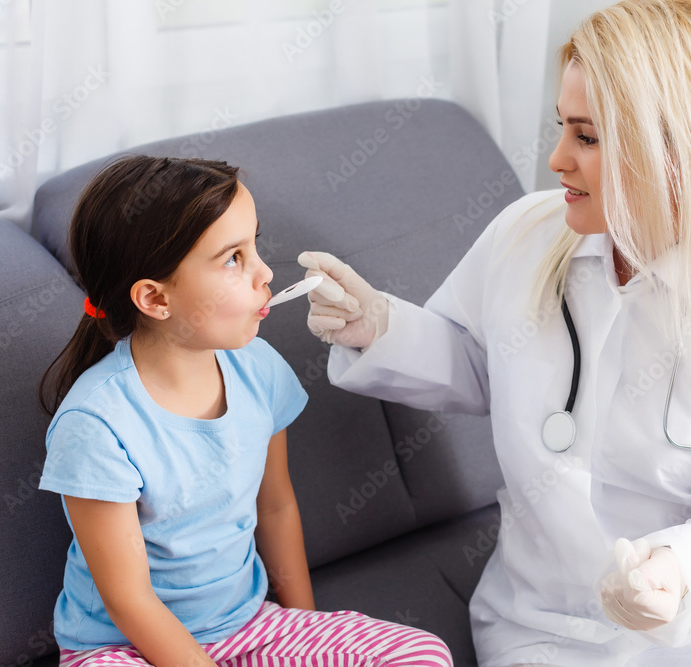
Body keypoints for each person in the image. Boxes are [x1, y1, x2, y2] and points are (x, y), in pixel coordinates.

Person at [295, 1, 691, 665]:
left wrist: (678, 576)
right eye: (561, 128)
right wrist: (380, 328)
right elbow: (478, 359)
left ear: (675, 150)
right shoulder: (527, 235)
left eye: (588, 137)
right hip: (542, 624)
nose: (555, 159)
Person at [37, 155, 453, 667]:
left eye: (254, 244)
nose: (265, 273)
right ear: (154, 298)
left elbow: (275, 508)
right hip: (125, 648)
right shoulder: (96, 426)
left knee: (421, 653)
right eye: (234, 258)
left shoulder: (259, 370)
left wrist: (308, 630)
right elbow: (129, 601)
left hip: (249, 625)